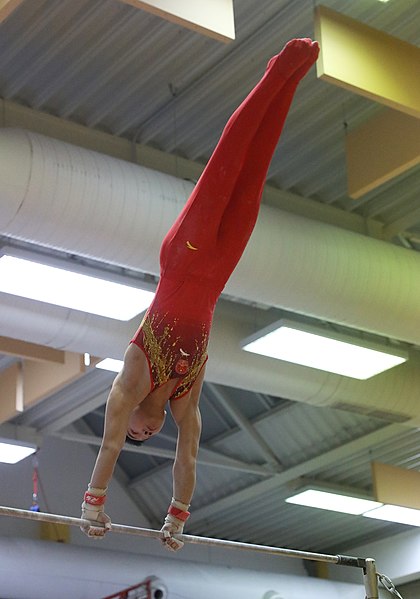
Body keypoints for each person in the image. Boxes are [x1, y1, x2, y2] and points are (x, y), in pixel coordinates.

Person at [81, 38, 320, 551]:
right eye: (149, 438)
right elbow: (187, 459)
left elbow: (108, 442)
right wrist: (177, 516)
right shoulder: (186, 402)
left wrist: (94, 501)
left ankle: (276, 71)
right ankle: (291, 84)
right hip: (218, 270)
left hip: (184, 258)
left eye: (137, 437)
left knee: (229, 162)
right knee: (254, 174)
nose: (142, 437)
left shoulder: (130, 379)